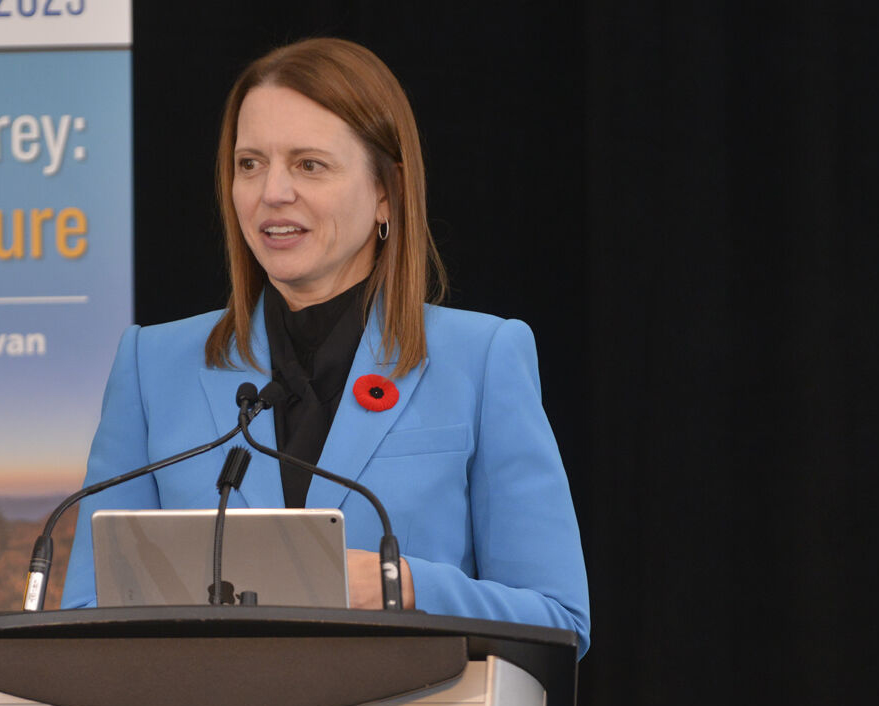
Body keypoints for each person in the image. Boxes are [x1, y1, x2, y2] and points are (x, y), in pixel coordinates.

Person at [60, 38, 588, 656]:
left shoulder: (482, 357)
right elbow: (84, 615)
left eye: (309, 164)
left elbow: (558, 622)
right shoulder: (153, 366)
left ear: (386, 192)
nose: (272, 192)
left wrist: (400, 585)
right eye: (250, 163)